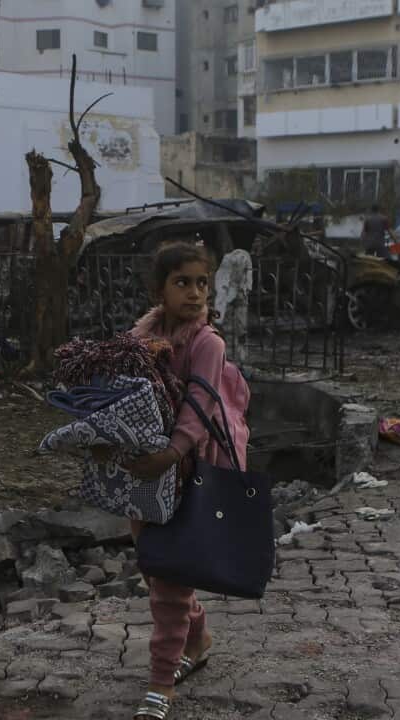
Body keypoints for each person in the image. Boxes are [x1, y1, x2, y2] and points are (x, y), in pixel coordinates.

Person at [121, 241, 252, 720]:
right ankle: (197, 641)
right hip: (146, 471)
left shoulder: (207, 343)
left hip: (190, 468)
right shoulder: (140, 337)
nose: (195, 293)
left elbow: (199, 406)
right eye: (183, 283)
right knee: (156, 566)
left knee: (170, 578)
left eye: (202, 283)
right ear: (160, 290)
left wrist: (172, 453)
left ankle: (161, 682)